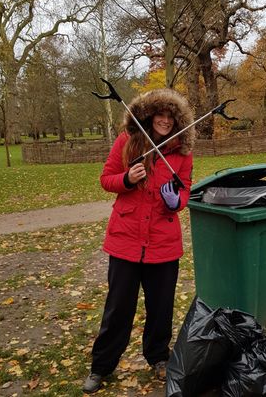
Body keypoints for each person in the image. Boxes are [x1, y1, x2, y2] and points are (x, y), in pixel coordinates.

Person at [83, 89, 195, 394]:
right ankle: (101, 366)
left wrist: (177, 202)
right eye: (160, 114)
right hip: (126, 241)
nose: (165, 120)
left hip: (163, 242)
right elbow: (107, 179)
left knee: (161, 308)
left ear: (177, 119)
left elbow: (185, 188)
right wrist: (127, 179)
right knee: (118, 308)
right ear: (148, 115)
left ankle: (158, 357)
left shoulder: (182, 153)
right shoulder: (126, 143)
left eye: (171, 116)